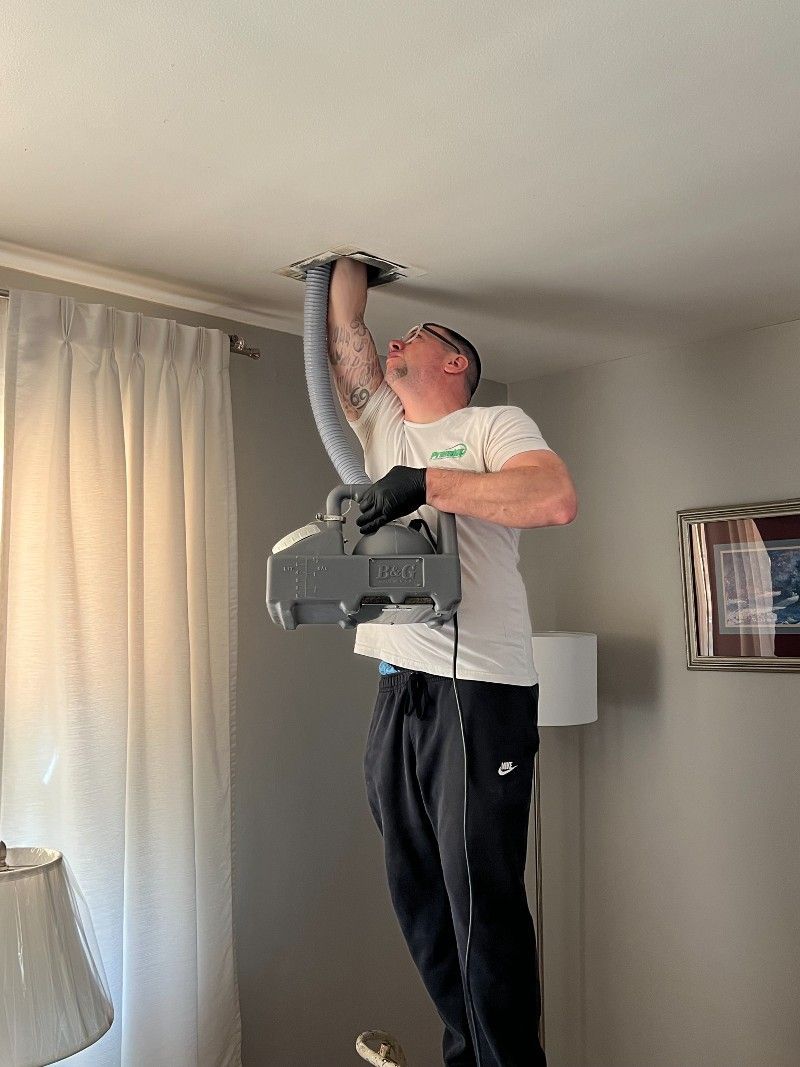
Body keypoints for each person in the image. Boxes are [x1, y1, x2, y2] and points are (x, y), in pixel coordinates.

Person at [327, 257, 577, 1067]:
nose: (395, 340)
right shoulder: (378, 425)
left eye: (419, 335)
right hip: (396, 688)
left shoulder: (495, 425)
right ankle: (468, 1051)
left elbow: (551, 499)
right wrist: (342, 266)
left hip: (482, 691)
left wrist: (426, 483)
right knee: (418, 890)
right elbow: (342, 327)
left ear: (455, 362)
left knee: (480, 895)